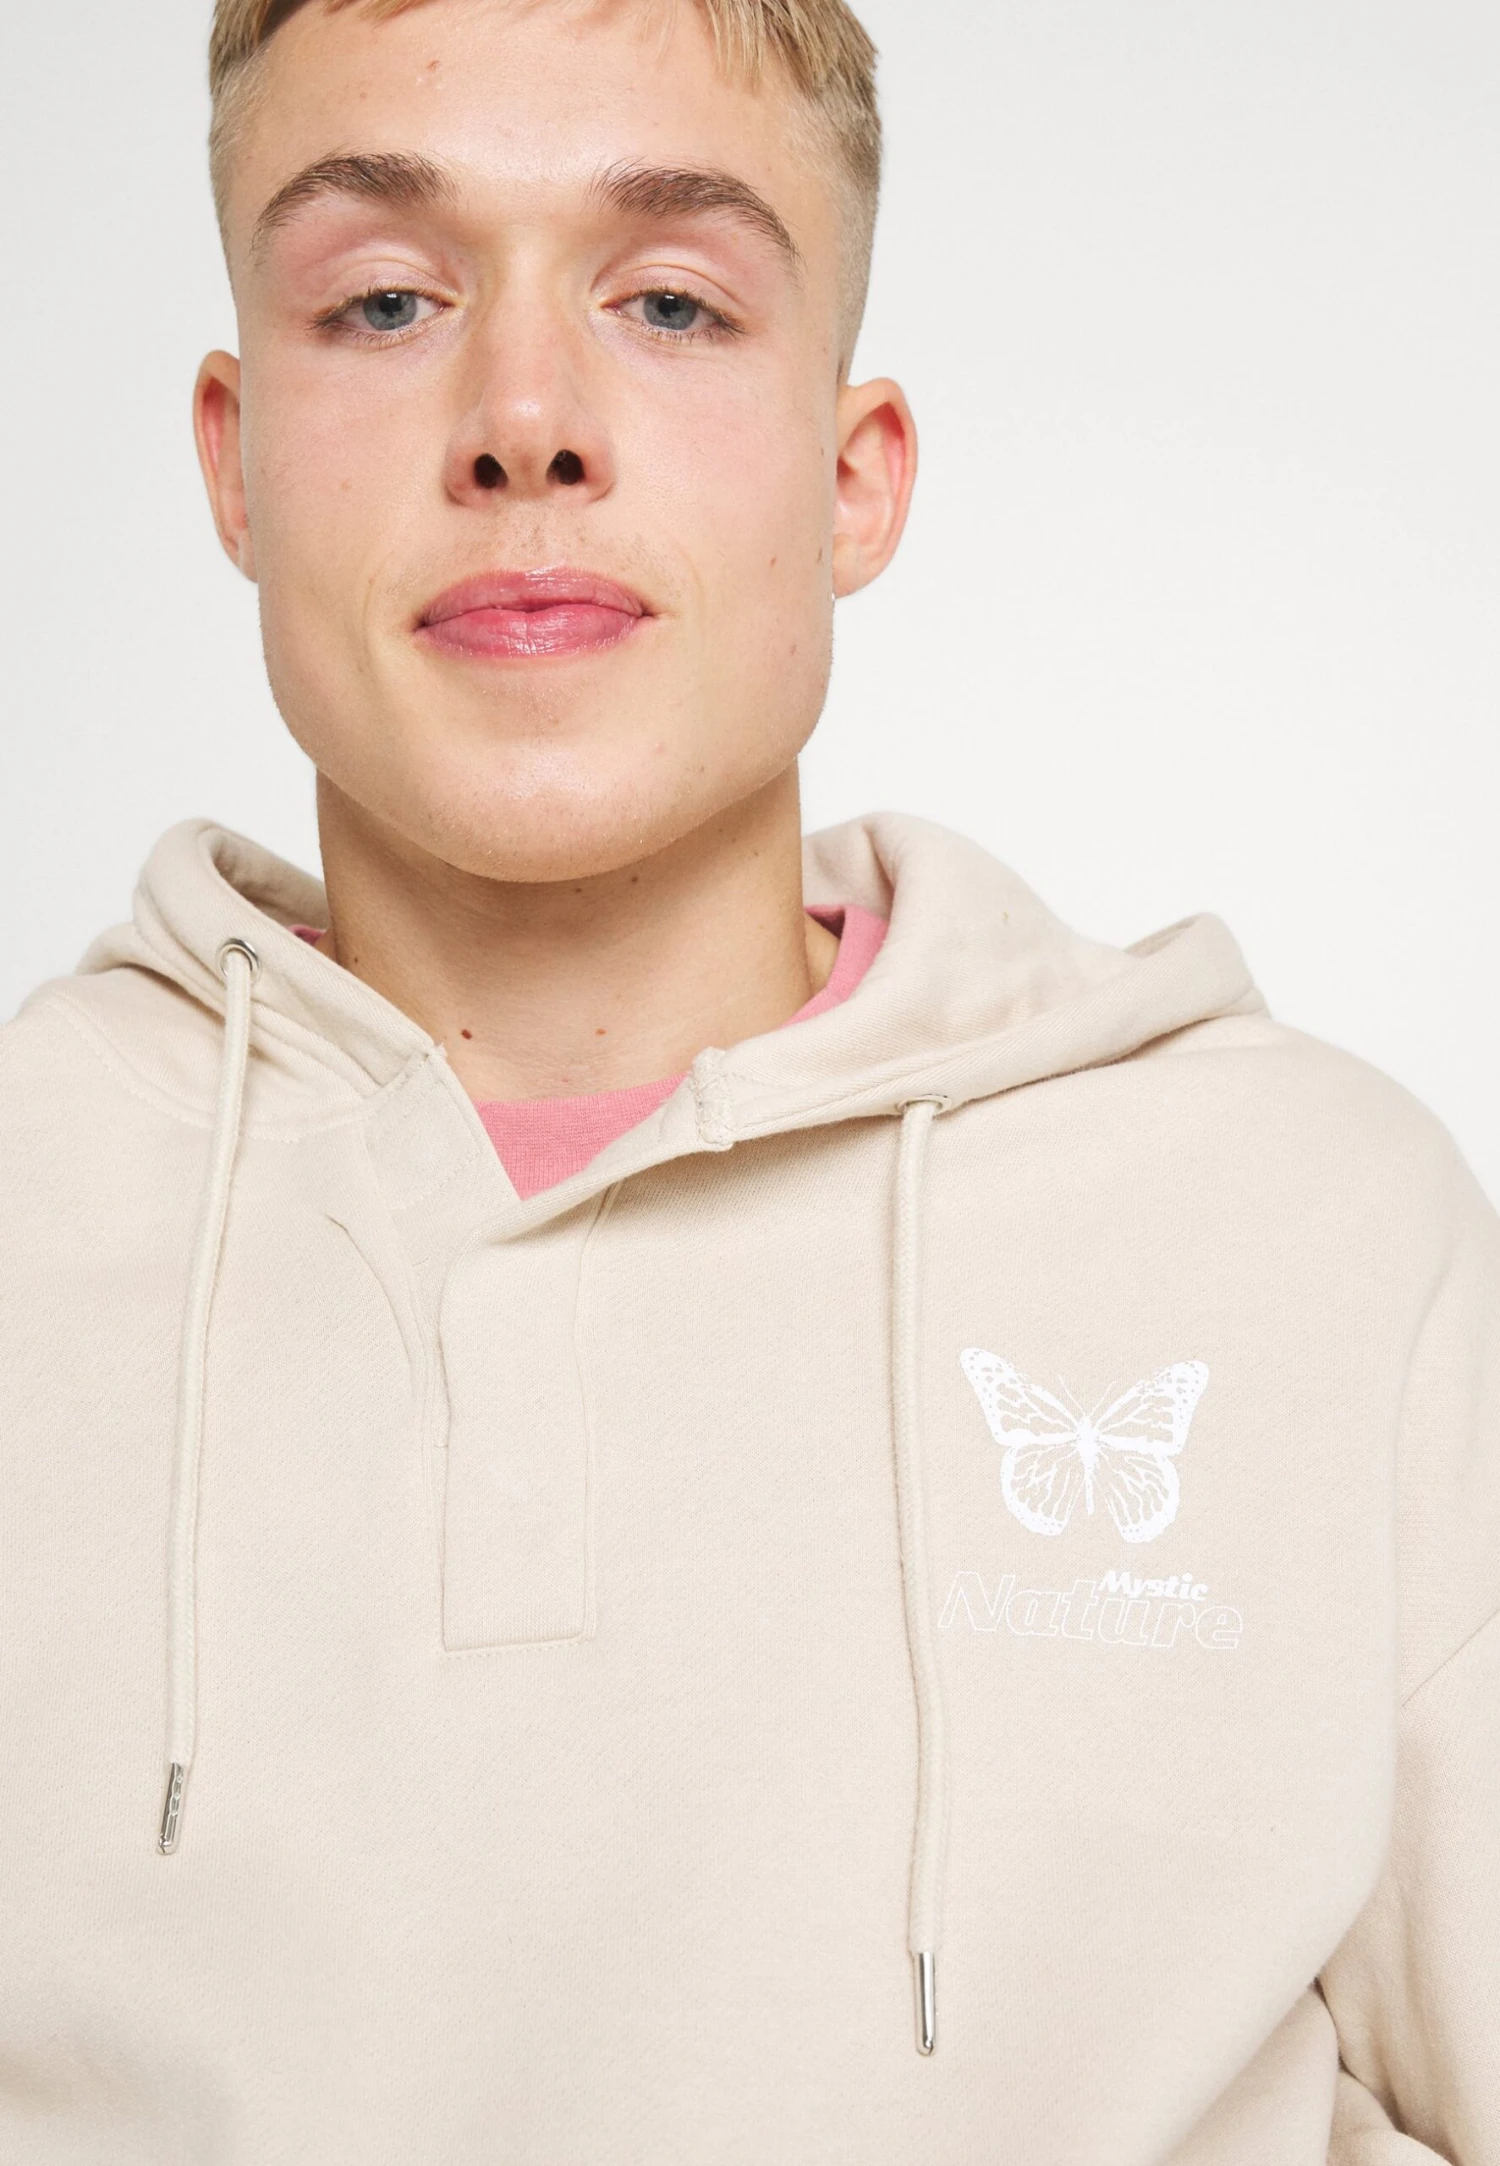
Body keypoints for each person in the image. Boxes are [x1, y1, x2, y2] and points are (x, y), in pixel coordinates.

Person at [1, 0, 1494, 2156]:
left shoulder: (1324, 1235)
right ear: (234, 464)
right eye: (390, 301)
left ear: (852, 474)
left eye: (674, 302)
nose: (525, 423)